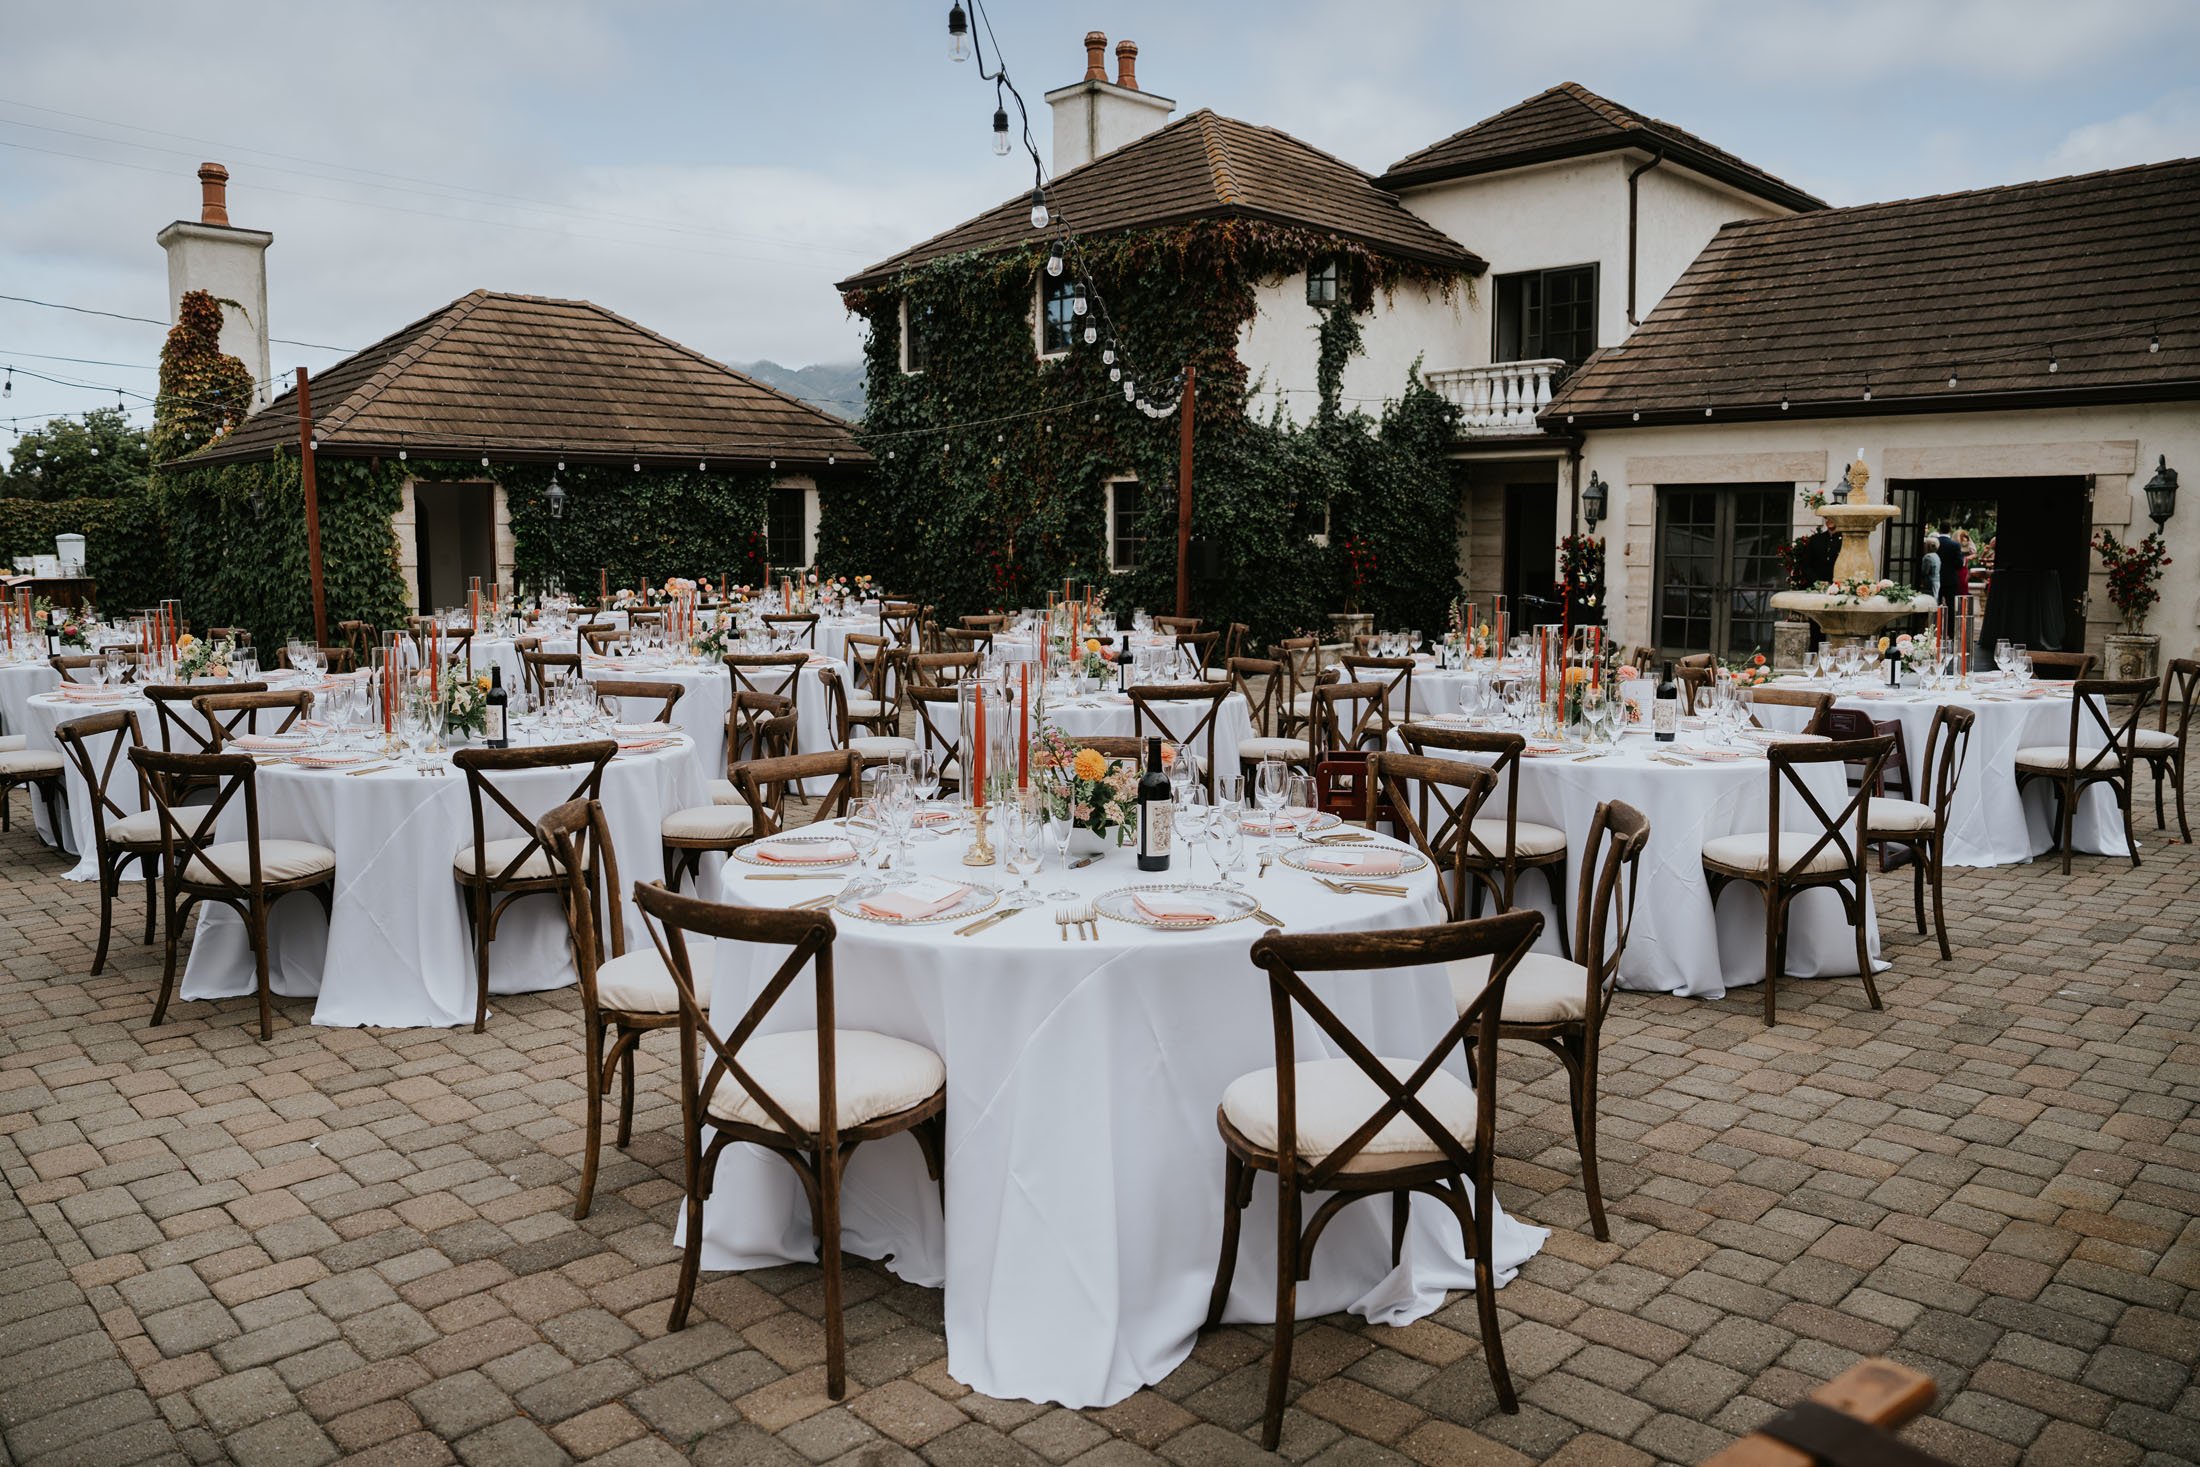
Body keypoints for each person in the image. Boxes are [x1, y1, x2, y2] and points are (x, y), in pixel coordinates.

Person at [1916, 528, 1943, 601]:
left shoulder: (1928, 557)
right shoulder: (1936, 555)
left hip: (1930, 582)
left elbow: (1924, 572)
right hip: (1937, 580)